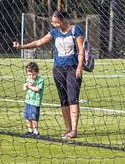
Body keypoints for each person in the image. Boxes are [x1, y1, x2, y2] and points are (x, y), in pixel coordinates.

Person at [13, 10, 85, 139]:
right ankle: (68, 129)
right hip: (58, 69)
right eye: (53, 22)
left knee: (73, 98)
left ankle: (74, 130)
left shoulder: (75, 30)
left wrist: (80, 67)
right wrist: (21, 47)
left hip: (73, 69)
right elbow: (39, 42)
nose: (54, 25)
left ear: (63, 20)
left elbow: (81, 49)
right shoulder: (54, 32)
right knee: (63, 100)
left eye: (56, 22)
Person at [23, 61, 44, 137]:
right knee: (27, 116)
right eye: (29, 74)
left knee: (34, 117)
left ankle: (36, 131)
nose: (31, 76)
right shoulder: (27, 79)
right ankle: (30, 130)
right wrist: (26, 85)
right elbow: (24, 88)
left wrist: (30, 86)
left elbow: (37, 89)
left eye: (33, 74)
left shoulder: (40, 80)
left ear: (37, 72)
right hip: (28, 101)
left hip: (35, 102)